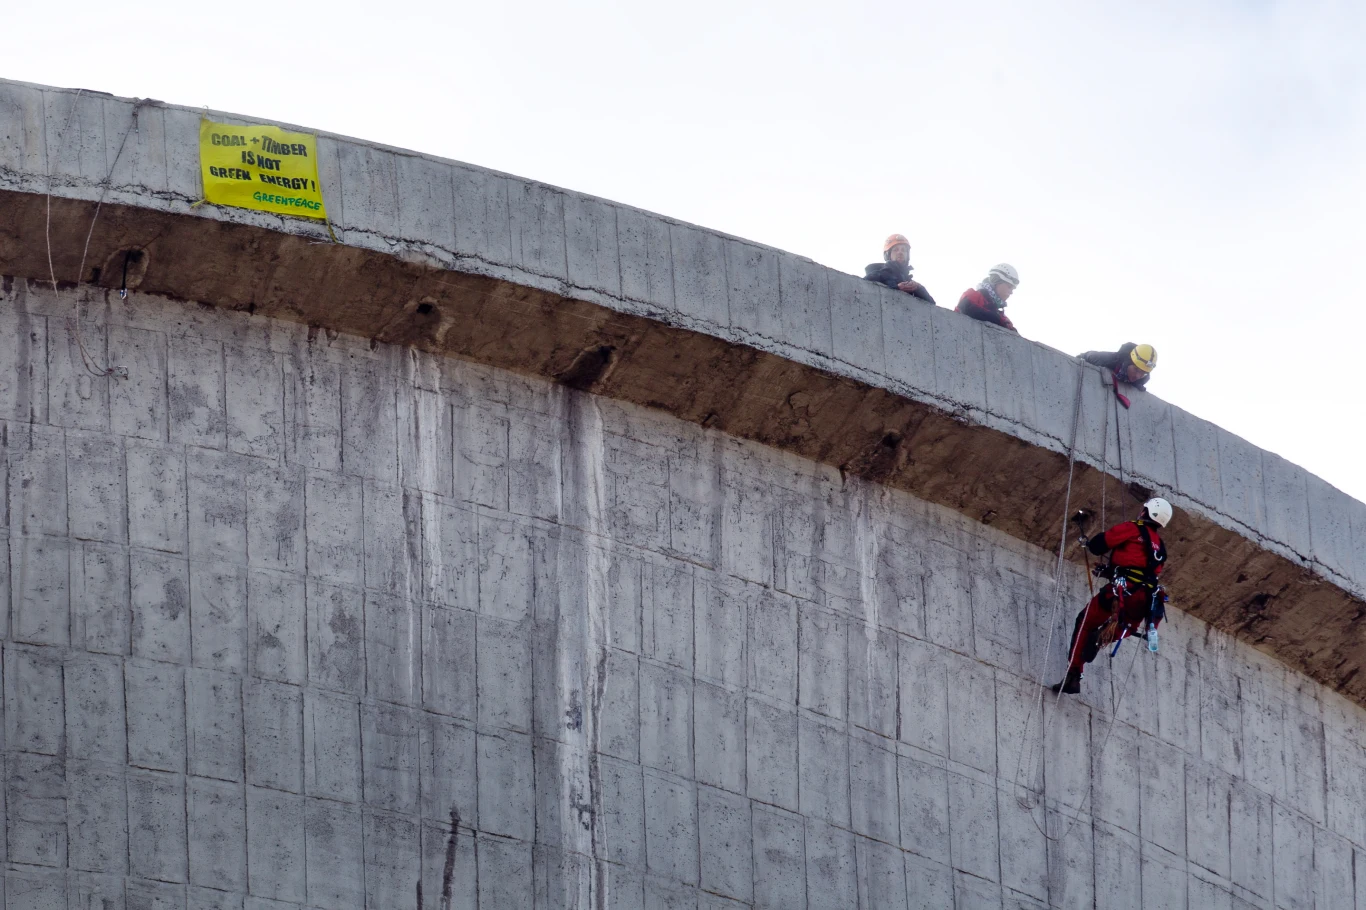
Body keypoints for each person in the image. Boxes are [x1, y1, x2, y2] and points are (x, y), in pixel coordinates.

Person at [1051, 498, 1173, 695]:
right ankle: (1106, 637)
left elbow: (1100, 545)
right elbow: (1142, 570)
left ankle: (1074, 673)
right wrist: (1111, 570)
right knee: (1127, 625)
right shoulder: (1160, 546)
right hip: (1145, 598)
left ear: (1146, 512)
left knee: (1085, 620)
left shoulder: (1133, 528)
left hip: (1121, 591)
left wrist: (1094, 546)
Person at [863, 234, 935, 303]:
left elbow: (932, 306)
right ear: (888, 255)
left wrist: (918, 288)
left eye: (903, 250)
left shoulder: (910, 283)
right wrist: (896, 288)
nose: (900, 252)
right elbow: (863, 288)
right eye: (896, 250)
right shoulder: (879, 275)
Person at [955, 263, 1019, 332]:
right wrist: (1000, 321)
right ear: (997, 281)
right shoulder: (972, 295)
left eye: (1012, 289)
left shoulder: (1001, 316)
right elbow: (969, 311)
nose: (1011, 292)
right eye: (1009, 287)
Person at [1081, 343, 1157, 390]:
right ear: (1127, 363)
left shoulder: (1142, 379)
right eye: (1136, 369)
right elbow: (1085, 356)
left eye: (1143, 373)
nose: (1138, 376)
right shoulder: (1109, 360)